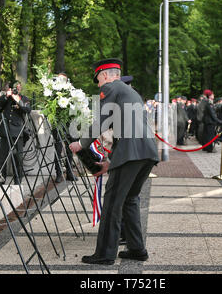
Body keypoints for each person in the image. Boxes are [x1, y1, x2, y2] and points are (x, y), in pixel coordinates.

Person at [69, 58, 159, 265]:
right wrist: (111, 162)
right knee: (130, 200)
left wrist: (81, 144)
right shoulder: (131, 92)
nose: (99, 86)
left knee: (111, 204)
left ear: (105, 76)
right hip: (146, 152)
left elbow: (102, 120)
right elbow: (125, 127)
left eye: (98, 81)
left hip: (131, 153)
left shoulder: (110, 87)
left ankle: (105, 254)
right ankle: (137, 249)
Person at [0, 81, 31, 184]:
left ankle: (17, 179)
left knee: (18, 157)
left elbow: (27, 110)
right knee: (2, 156)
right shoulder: (5, 97)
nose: (16, 90)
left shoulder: (24, 99)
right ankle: (1, 177)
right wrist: (6, 96)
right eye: (14, 88)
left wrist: (18, 100)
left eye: (18, 88)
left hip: (17, 131)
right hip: (5, 130)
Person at [52, 72, 77, 183]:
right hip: (58, 123)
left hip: (69, 123)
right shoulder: (53, 91)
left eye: (64, 80)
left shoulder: (71, 91)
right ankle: (58, 173)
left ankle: (69, 172)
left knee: (70, 148)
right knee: (58, 149)